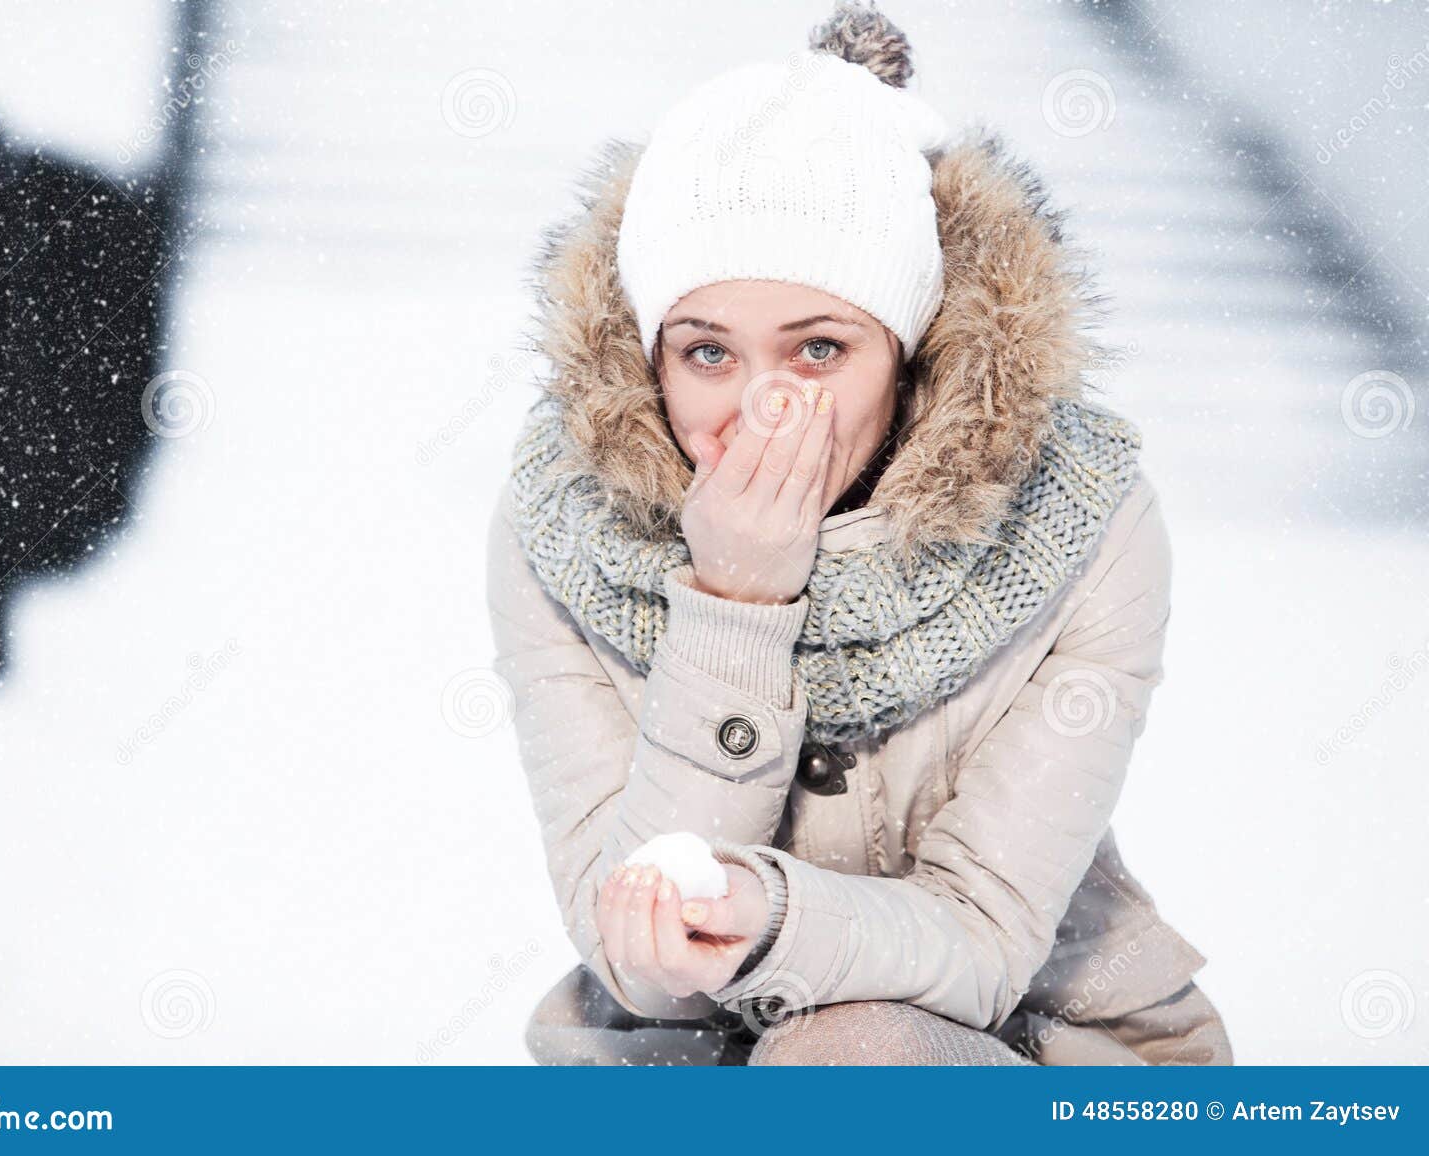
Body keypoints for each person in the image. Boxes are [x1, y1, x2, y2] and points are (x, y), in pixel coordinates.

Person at [485, 0, 1232, 1066]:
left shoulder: (1080, 519)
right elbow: (636, 956)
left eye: (820, 349)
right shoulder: (559, 531)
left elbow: (982, 936)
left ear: (910, 347)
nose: (762, 408)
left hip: (1036, 1056)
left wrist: (772, 918)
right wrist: (733, 611)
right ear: (650, 354)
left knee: (849, 1059)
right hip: (689, 1063)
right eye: (707, 352)